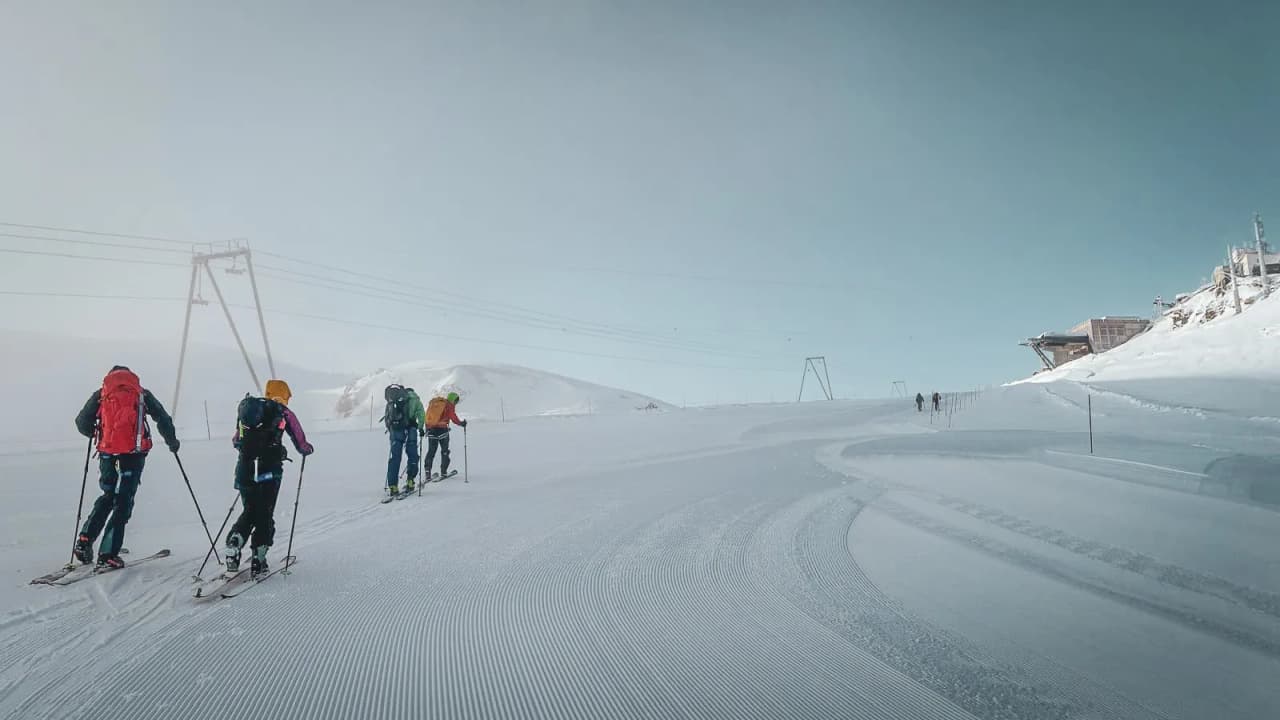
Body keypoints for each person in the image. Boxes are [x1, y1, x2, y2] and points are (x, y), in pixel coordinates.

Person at [72, 366, 180, 569]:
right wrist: (172, 442)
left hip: (107, 453)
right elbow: (163, 419)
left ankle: (85, 540)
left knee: (108, 495)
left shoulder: (102, 394)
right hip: (133, 455)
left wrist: (95, 434)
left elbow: (81, 422)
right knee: (124, 500)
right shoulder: (141, 394)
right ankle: (108, 553)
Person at [226, 379, 313, 576]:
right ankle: (259, 557)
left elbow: (237, 441)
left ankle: (234, 542)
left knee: (250, 509)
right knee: (264, 512)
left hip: (245, 469)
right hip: (268, 471)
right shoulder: (283, 412)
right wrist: (304, 450)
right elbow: (300, 441)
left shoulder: (249, 411)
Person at [382, 384, 425, 495]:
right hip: (411, 429)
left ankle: (393, 486)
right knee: (412, 455)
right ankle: (410, 481)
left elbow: (387, 416)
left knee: (395, 457)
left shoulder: (393, 399)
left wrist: (391, 429)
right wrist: (420, 427)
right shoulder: (415, 399)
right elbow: (421, 414)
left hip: (396, 430)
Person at [424, 391, 467, 480]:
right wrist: (461, 423)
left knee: (431, 452)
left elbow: (428, 416)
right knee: (445, 451)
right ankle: (443, 472)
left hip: (431, 431)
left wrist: (427, 428)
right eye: (456, 401)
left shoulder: (436, 404)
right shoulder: (449, 405)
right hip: (443, 431)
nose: (455, 403)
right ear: (453, 399)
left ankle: (427, 472)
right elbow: (453, 417)